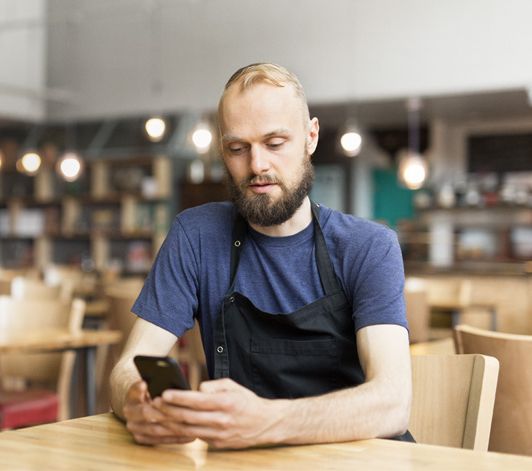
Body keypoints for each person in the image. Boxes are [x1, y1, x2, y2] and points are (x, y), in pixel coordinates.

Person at [109, 62, 413, 449]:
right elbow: (127, 368)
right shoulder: (196, 236)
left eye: (274, 143)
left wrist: (268, 421)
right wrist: (135, 400)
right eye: (238, 149)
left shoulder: (369, 246)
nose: (257, 166)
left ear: (310, 137)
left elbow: (392, 403)